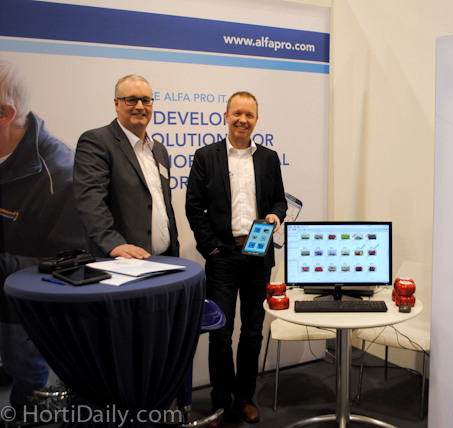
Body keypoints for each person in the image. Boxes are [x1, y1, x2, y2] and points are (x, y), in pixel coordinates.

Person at [185, 91, 286, 425]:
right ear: (226, 116)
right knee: (220, 333)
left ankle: (245, 397)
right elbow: (193, 206)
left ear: (256, 120)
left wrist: (275, 215)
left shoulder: (268, 158)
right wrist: (211, 249)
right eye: (237, 113)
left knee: (253, 332)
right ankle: (220, 401)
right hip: (223, 257)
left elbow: (279, 200)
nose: (243, 120)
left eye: (249, 115)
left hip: (258, 256)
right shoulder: (206, 156)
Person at [0, 57, 85, 413]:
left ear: (5, 113)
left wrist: (5, 265)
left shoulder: (60, 174)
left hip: (23, 315)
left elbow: (73, 264)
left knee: (28, 393)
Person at [73, 75, 179, 259]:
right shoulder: (97, 142)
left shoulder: (159, 150)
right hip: (122, 262)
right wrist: (113, 244)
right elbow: (91, 201)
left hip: (164, 260)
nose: (140, 107)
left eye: (146, 100)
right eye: (131, 100)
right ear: (117, 104)